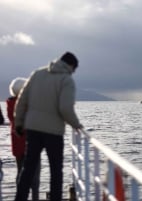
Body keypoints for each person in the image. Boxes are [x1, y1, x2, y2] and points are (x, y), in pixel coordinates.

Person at [14, 52, 83, 201]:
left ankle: (20, 199)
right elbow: (65, 108)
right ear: (71, 66)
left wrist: (18, 123)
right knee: (56, 172)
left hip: (33, 129)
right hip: (53, 132)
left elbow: (22, 100)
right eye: (74, 69)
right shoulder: (66, 80)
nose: (73, 72)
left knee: (28, 169)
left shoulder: (37, 74)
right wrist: (77, 125)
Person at [7, 77, 41, 201]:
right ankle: (35, 198)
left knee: (20, 173)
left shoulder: (10, 104)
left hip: (17, 144)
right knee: (35, 176)